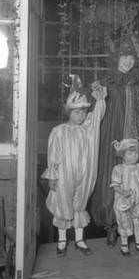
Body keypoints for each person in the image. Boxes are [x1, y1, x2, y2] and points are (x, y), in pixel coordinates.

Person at [89, 39, 139, 247]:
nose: (127, 61)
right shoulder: (106, 81)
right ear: (116, 59)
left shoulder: (138, 83)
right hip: (111, 134)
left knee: (133, 177)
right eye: (123, 57)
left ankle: (132, 226)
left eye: (131, 58)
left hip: (131, 133)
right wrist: (96, 95)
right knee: (110, 176)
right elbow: (96, 109)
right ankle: (110, 225)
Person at [41, 77, 107, 256]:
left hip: (84, 175)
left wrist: (99, 97)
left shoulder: (88, 129)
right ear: (68, 112)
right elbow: (53, 155)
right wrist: (53, 176)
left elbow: (98, 113)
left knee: (80, 204)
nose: (81, 116)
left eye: (84, 112)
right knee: (63, 205)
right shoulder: (59, 131)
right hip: (65, 176)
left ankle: (79, 239)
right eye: (77, 112)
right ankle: (62, 240)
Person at [110, 137, 139, 256]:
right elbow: (115, 185)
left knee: (137, 222)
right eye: (130, 153)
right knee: (124, 223)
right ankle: (124, 244)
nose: (134, 156)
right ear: (122, 155)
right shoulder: (118, 169)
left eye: (136, 153)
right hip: (125, 200)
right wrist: (122, 191)